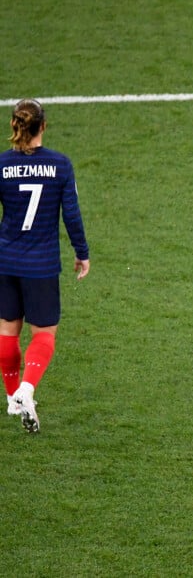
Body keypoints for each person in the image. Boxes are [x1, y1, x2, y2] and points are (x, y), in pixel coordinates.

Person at [0, 98, 90, 433]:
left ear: (14, 125)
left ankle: (12, 398)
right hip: (41, 264)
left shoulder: (2, 165)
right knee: (44, 334)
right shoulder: (60, 165)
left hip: (6, 260)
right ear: (43, 126)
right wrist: (81, 252)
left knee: (7, 330)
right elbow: (72, 214)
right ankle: (26, 389)